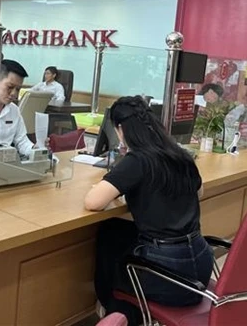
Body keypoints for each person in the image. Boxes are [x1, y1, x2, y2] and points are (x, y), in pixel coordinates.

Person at [84, 96, 213, 326]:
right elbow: (199, 192)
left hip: (171, 279)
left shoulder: (137, 160)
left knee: (108, 238)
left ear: (121, 129)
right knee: (118, 230)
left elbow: (93, 202)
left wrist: (118, 189)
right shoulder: (179, 154)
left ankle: (119, 312)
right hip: (201, 269)